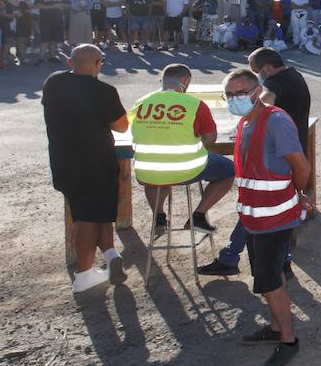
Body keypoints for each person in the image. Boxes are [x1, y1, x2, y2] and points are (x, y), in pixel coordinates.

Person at [221, 69, 312, 366]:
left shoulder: (276, 122)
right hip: (255, 216)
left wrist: (298, 194)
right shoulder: (247, 122)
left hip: (275, 216)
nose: (235, 100)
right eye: (230, 95)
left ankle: (288, 340)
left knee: (270, 280)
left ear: (258, 90)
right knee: (267, 276)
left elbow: (300, 166)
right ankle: (275, 327)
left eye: (241, 93)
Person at [200, 49, 312, 277]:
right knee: (272, 209)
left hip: (274, 154)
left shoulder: (274, 83)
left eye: (254, 71)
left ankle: (232, 257)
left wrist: (248, 119)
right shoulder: (295, 75)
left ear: (266, 69)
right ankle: (282, 262)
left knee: (256, 209)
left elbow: (265, 100)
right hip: (289, 150)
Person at [43, 45, 129, 293]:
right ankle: (83, 274)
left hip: (63, 158)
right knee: (88, 217)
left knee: (97, 211)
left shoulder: (53, 82)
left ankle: (111, 255)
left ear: (70, 61)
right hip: (97, 159)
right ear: (98, 63)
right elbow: (122, 126)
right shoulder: (104, 91)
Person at [130, 64, 235, 236]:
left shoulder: (141, 102)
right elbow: (211, 138)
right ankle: (198, 216)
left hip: (146, 170)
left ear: (161, 80)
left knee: (156, 175)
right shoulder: (194, 104)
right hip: (186, 169)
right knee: (229, 170)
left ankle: (159, 217)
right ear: (185, 81)